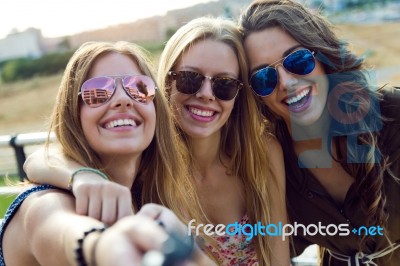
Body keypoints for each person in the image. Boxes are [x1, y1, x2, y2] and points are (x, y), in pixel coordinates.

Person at [24, 17, 289, 265]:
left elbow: (279, 258)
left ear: (238, 95)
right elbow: (41, 160)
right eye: (189, 79)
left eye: (224, 84)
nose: (207, 95)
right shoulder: (148, 165)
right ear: (164, 84)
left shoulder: (261, 153)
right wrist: (84, 176)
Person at [0, 41, 212, 266]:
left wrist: (184, 246)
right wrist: (106, 247)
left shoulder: (151, 198)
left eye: (139, 88)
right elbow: (65, 233)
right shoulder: (45, 203)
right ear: (74, 114)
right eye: (97, 92)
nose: (123, 99)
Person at [239, 0, 400, 265]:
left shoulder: (392, 115)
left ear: (322, 56)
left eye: (298, 61)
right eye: (264, 78)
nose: (287, 83)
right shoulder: (275, 162)